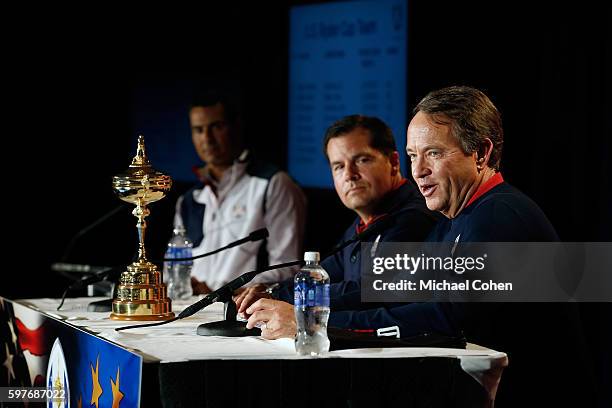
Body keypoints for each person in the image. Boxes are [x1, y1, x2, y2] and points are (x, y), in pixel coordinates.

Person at [235, 114, 440, 338]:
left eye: (362, 160)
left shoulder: (413, 218)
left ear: (393, 162)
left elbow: (368, 290)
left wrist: (292, 302)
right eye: (339, 166)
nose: (350, 175)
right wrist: (272, 292)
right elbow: (322, 273)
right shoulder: (363, 223)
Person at [174, 89, 307, 294]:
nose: (207, 138)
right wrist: (181, 282)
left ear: (236, 126)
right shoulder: (188, 200)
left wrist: (219, 293)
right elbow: (173, 269)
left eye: (216, 127)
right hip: (190, 312)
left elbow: (287, 269)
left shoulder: (273, 183)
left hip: (245, 315)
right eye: (198, 130)